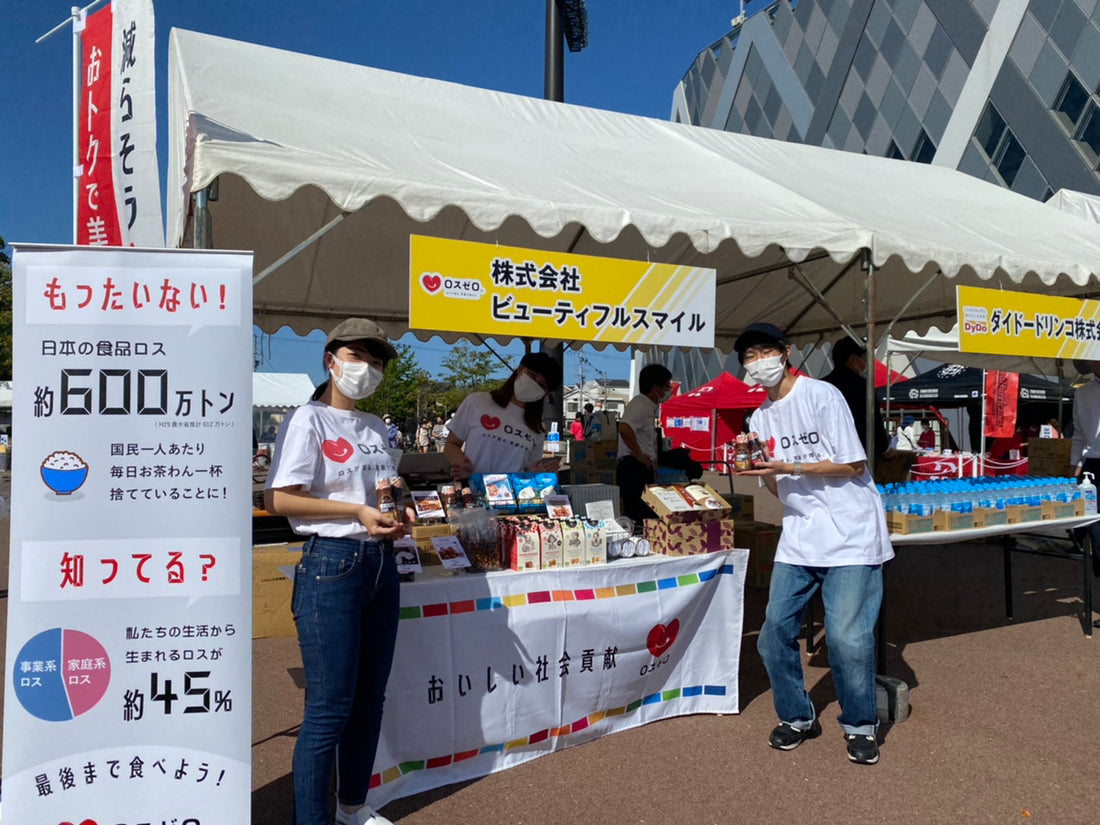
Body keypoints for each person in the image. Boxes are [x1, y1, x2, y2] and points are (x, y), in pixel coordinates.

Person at [264, 318, 415, 825]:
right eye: (357, 357)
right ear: (330, 360)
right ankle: (313, 818)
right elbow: (280, 499)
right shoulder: (308, 419)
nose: (366, 369)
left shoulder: (375, 427)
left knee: (370, 699)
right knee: (329, 708)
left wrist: (400, 512)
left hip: (380, 563)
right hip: (331, 564)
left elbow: (384, 491)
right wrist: (354, 512)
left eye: (376, 362)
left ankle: (352, 805)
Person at [732, 322, 893, 766]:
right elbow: (774, 489)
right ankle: (797, 716)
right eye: (749, 356)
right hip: (801, 536)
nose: (758, 361)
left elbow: (853, 464)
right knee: (772, 634)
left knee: (845, 637)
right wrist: (761, 470)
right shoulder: (760, 417)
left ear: (785, 352)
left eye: (765, 351)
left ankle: (860, 723)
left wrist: (790, 465)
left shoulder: (822, 395)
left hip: (849, 534)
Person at [444, 352, 563, 477]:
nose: (534, 384)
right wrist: (461, 463)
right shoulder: (477, 402)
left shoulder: (537, 430)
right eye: (532, 376)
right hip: (471, 491)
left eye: (541, 385)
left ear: (546, 393)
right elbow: (452, 444)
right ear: (520, 369)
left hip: (512, 494)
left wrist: (534, 474)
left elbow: (526, 471)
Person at [821, 336, 893, 465]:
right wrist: (885, 448)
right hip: (858, 454)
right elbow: (873, 421)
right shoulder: (862, 386)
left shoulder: (821, 385)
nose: (868, 362)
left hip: (826, 454)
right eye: (866, 358)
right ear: (853, 359)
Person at [616, 364, 673, 526]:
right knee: (639, 515)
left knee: (645, 513)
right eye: (666, 386)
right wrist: (639, 455)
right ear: (655, 388)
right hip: (633, 467)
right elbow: (624, 428)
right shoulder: (640, 405)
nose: (668, 391)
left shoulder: (648, 407)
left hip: (640, 466)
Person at [1069, 359, 1100, 627]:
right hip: (1094, 468)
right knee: (1096, 535)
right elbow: (1079, 435)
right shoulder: (1083, 392)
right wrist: (1073, 473)